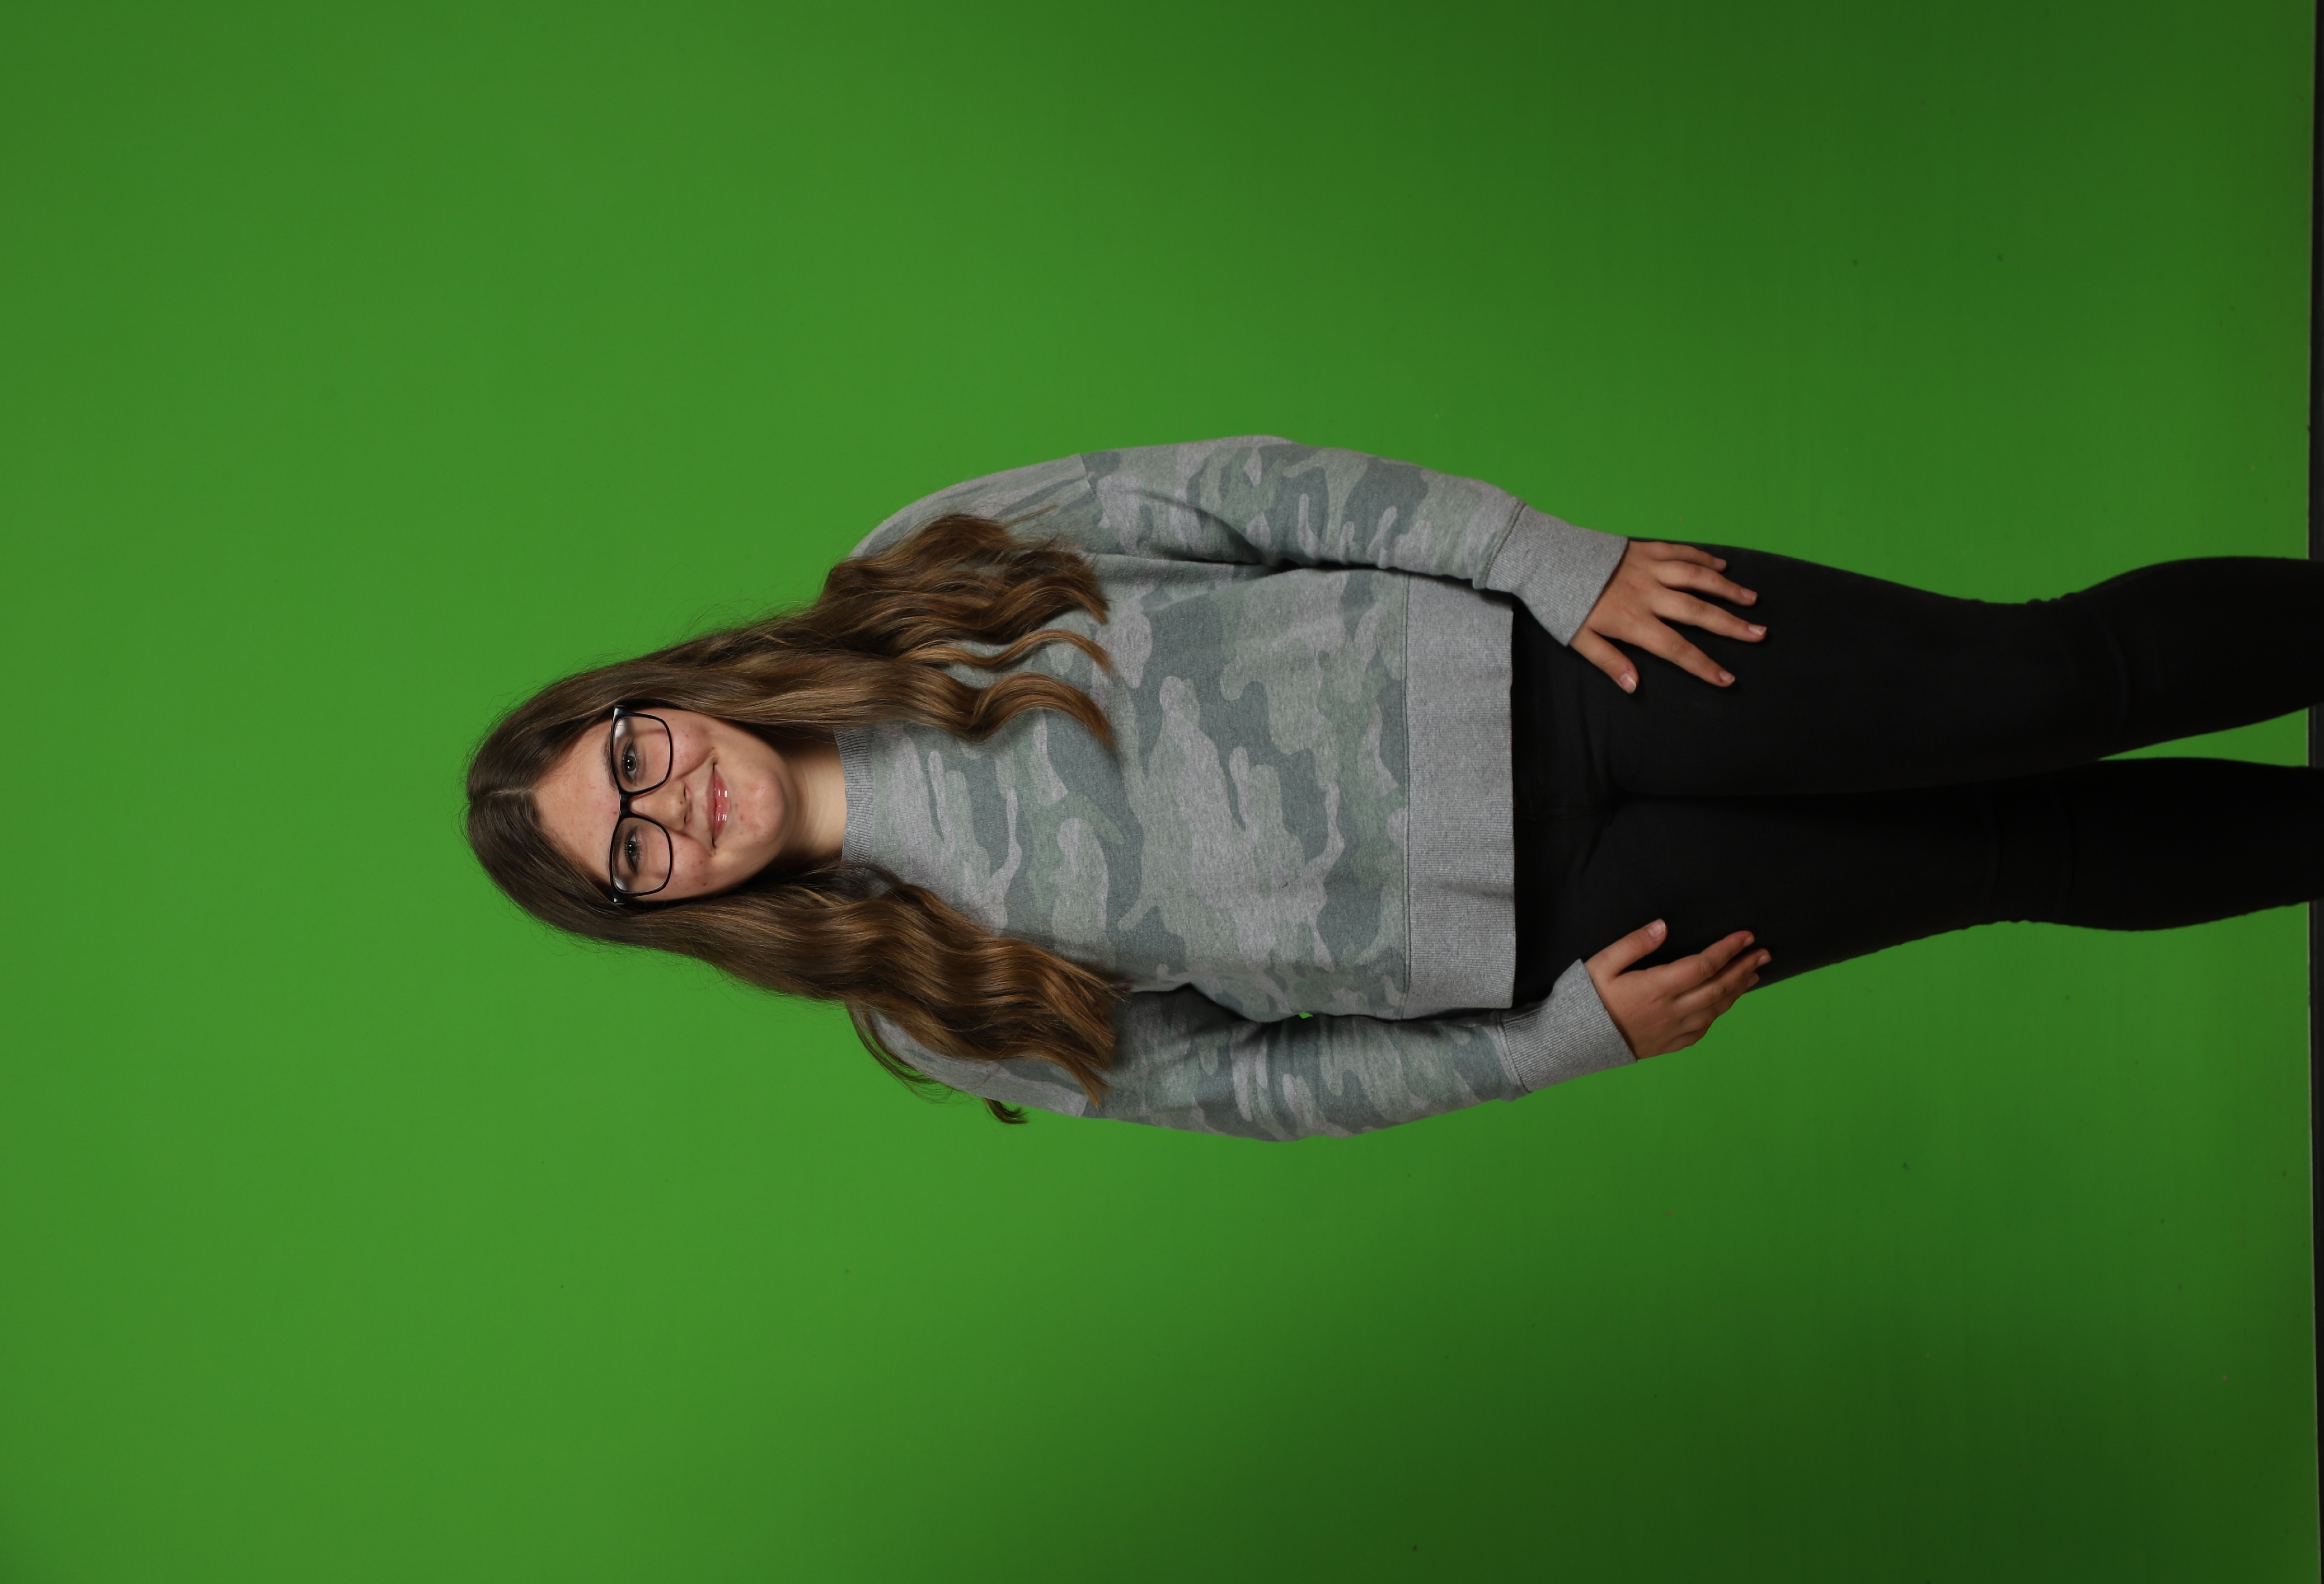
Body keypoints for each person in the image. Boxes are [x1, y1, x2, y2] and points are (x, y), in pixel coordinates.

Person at [466, 438, 2324, 1140]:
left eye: (628, 756)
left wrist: (1552, 560)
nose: (664, 807)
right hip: (1555, 935)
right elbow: (1254, 1089)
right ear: (658, 910)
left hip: (1569, 667)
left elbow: (1236, 492)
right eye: (627, 856)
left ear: (651, 698)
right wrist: (1555, 1046)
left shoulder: (906, 577)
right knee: (2012, 855)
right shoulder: (929, 1013)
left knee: (2037, 684)